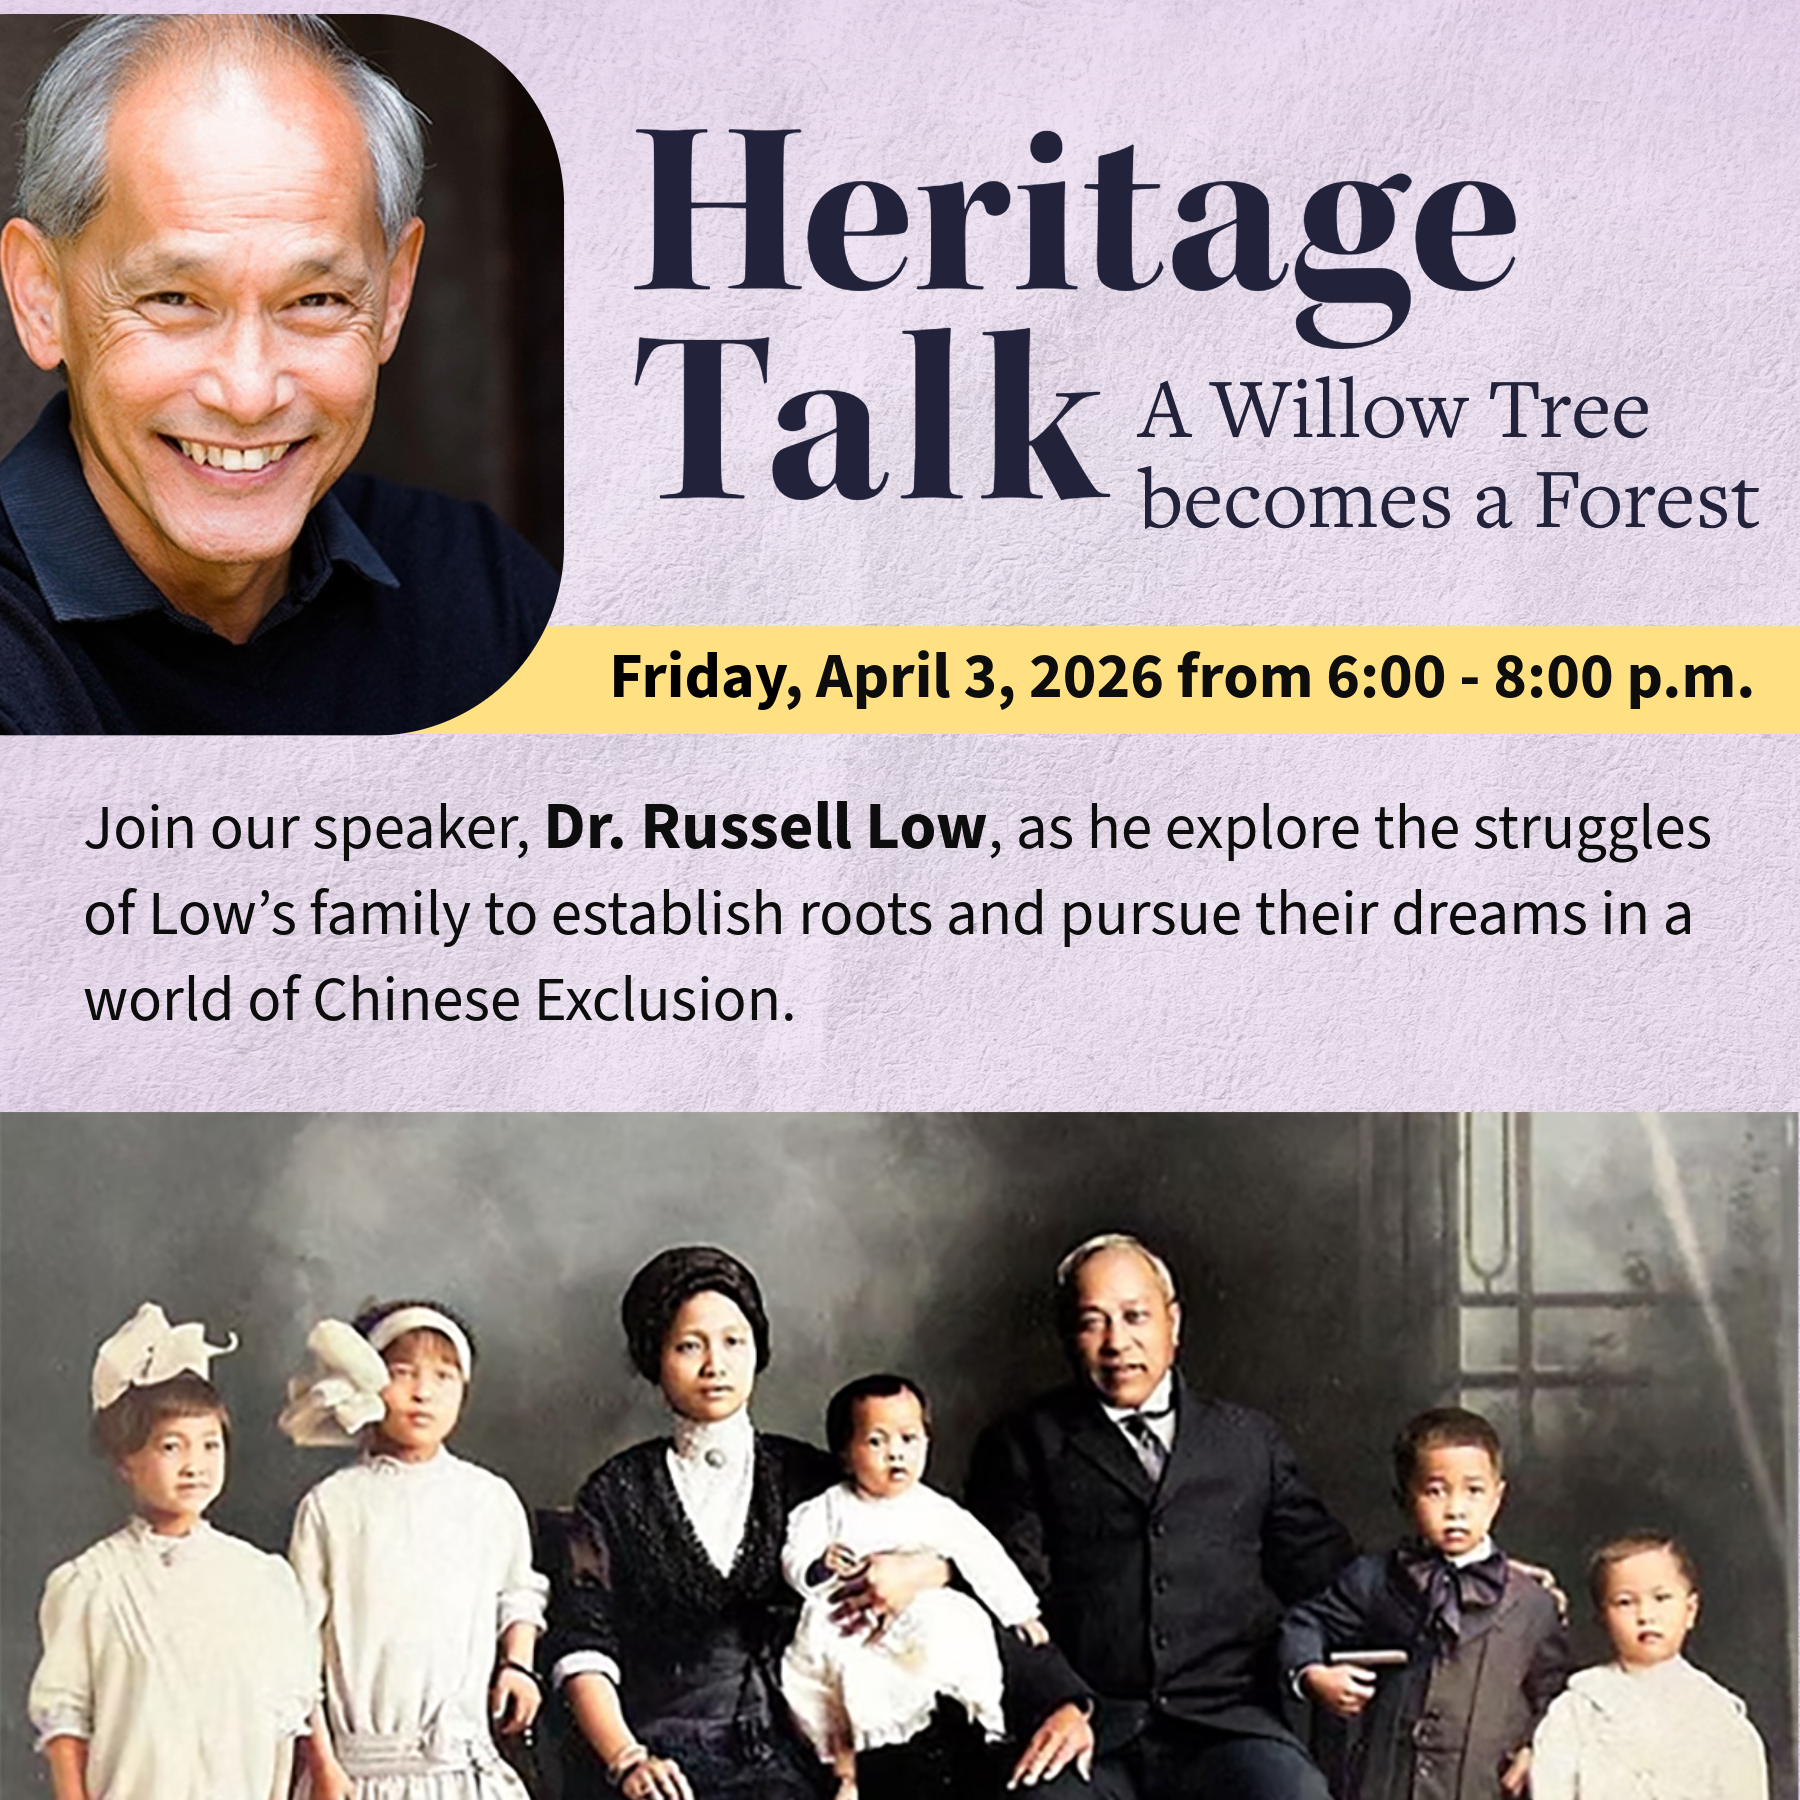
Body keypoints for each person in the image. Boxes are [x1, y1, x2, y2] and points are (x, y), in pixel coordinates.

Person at [0, 15, 555, 734]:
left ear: (393, 295)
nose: (249, 392)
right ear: (41, 297)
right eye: (174, 299)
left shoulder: (481, 591)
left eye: (316, 300)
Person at [544, 1246, 1066, 1800]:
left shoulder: (812, 1474)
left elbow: (949, 1552)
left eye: (733, 1341)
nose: (714, 1365)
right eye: (688, 1346)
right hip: (668, 1754)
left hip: (808, 1753)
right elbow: (584, 1641)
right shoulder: (617, 1491)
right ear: (655, 1359)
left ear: (757, 1350)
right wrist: (628, 1759)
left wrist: (1062, 1698)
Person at [965, 1232, 1356, 1800]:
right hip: (1087, 1725)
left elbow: (1329, 1571)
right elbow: (1003, 1599)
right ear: (1067, 1336)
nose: (1116, 1342)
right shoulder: (1022, 1443)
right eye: (1092, 1322)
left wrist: (1460, 1569)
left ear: (1173, 1323)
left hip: (1228, 1725)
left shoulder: (1247, 1441)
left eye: (1135, 1316)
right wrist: (1062, 1700)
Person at [28, 1301, 314, 1800]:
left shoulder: (262, 1580)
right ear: (126, 1460)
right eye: (170, 1447)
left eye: (209, 1445)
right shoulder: (91, 1584)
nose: (194, 1465)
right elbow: (66, 1725)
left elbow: (280, 1727)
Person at [283, 1300, 548, 1799]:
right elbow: (297, 1654)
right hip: (356, 1773)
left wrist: (518, 1664)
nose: (423, 1392)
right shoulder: (331, 1506)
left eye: (444, 1377)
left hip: (464, 1773)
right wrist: (321, 1763)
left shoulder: (488, 1498)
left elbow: (518, 1592)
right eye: (402, 1373)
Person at [1278, 1407, 1570, 1800]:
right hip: (1385, 1785)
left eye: (1474, 1490)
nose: (1455, 1509)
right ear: (1404, 1499)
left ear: (1497, 1497)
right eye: (1435, 1490)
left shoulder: (1534, 1603)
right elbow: (1305, 1624)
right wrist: (1313, 1673)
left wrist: (1537, 1749)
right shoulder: (1374, 1579)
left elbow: (1555, 1695)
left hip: (1482, 1786)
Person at [781, 1374, 1048, 1800]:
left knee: (958, 1637)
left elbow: (983, 1555)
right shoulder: (827, 1508)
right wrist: (818, 1565)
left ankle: (975, 1726)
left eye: (909, 1439)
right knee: (826, 1680)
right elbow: (795, 1555)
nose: (896, 1454)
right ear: (846, 1455)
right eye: (876, 1442)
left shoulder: (936, 1510)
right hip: (847, 1622)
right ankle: (847, 1771)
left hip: (919, 1624)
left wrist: (1021, 1611)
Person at [1531, 1534, 1767, 1800]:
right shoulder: (1576, 1713)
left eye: (1661, 1598)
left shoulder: (1719, 1717)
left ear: (1690, 1610)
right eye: (1625, 1602)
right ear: (1603, 1618)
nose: (1645, 1615)